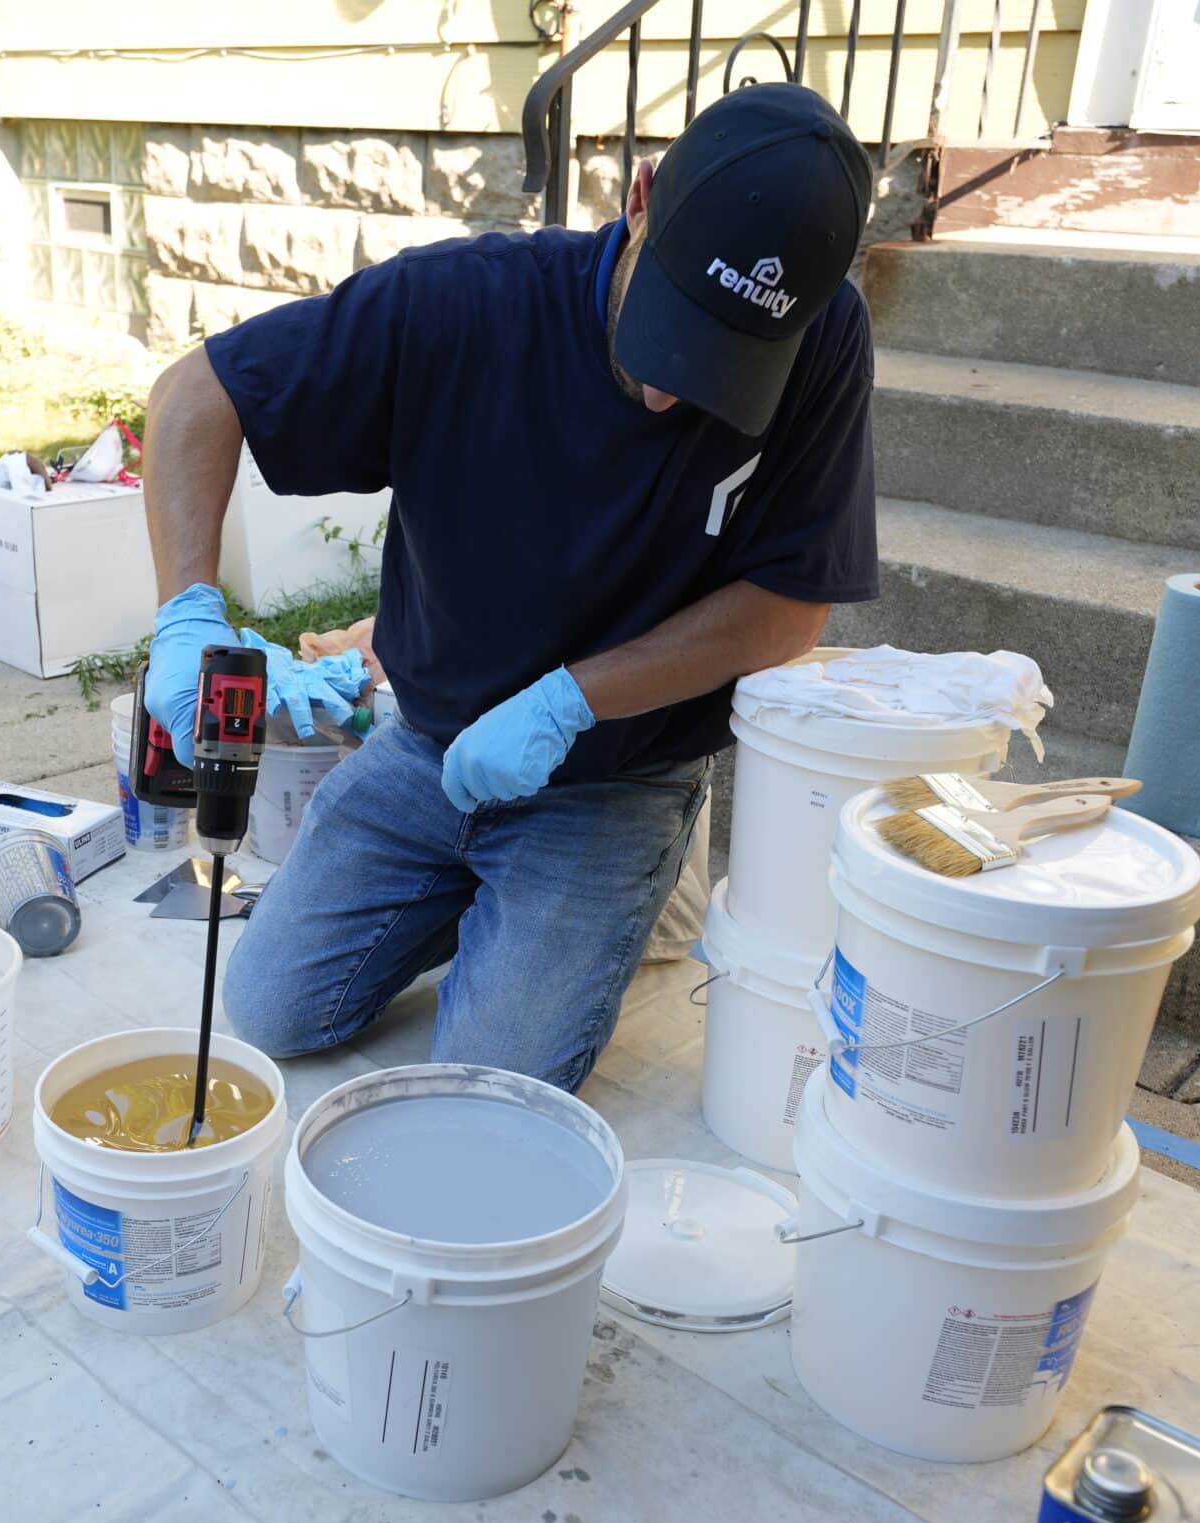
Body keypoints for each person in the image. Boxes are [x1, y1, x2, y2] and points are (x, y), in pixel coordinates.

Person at [139, 81, 878, 1093]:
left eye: (718, 364)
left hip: (613, 775)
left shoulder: (823, 339)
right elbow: (195, 394)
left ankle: (587, 902)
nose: (671, 390)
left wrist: (569, 700)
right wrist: (186, 612)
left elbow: (790, 606)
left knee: (493, 1086)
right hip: (426, 738)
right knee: (271, 1010)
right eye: (665, 331)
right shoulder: (462, 305)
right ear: (639, 198)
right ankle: (479, 897)